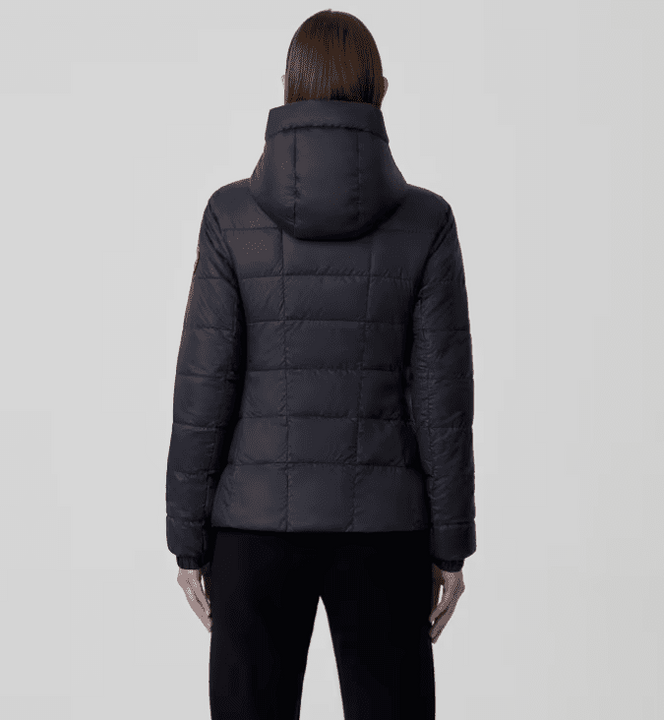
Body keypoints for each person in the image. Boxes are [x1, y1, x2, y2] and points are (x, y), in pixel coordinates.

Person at [167, 9, 476, 719]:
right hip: (387, 533)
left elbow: (204, 388)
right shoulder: (427, 223)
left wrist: (187, 540)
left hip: (251, 529)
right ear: (381, 90)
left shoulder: (231, 217)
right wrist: (451, 547)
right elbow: (443, 403)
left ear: (287, 87)